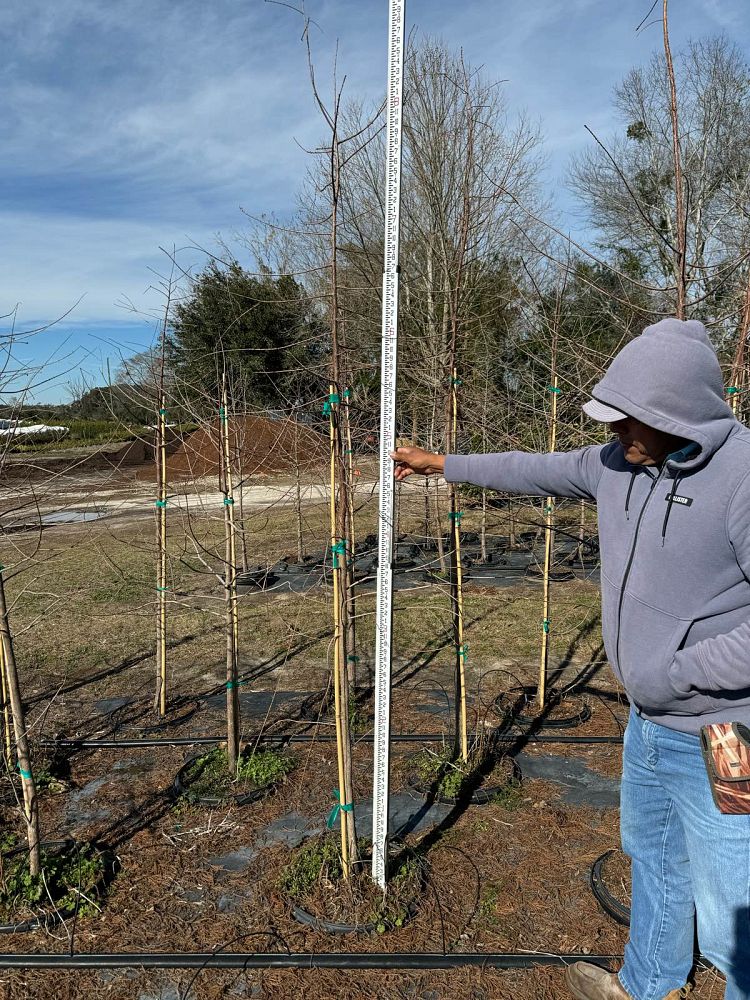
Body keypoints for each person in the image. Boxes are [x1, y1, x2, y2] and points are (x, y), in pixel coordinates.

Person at [391, 318, 750, 1000]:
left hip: (727, 735)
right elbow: (535, 469)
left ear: (674, 414)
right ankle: (647, 985)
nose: (614, 433)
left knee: (739, 910)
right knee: (655, 861)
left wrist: (677, 674)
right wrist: (442, 465)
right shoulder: (620, 462)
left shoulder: (743, 479)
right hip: (648, 728)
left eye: (627, 420)